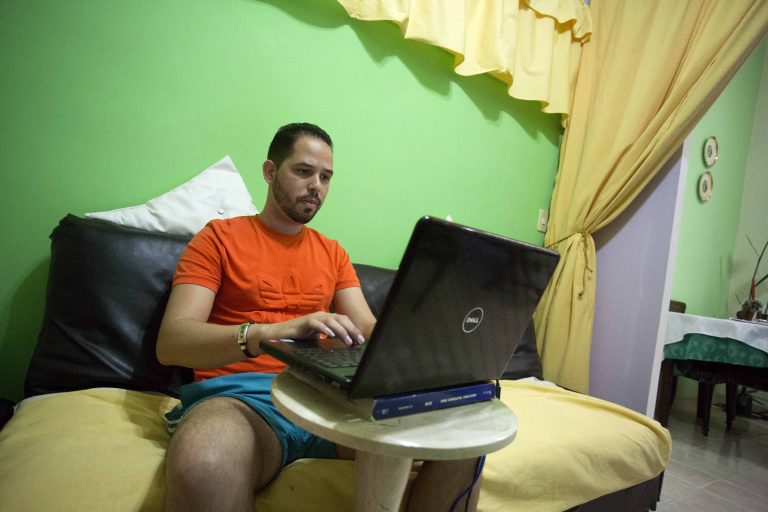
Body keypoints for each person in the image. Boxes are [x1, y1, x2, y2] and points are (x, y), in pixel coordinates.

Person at [156, 122, 482, 512]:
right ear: (270, 171)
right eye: (304, 171)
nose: (317, 186)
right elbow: (172, 342)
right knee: (206, 460)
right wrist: (270, 333)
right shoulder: (218, 239)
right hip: (243, 401)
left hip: (330, 402)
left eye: (326, 177)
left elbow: (366, 328)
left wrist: (424, 325)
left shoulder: (332, 253)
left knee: (467, 442)